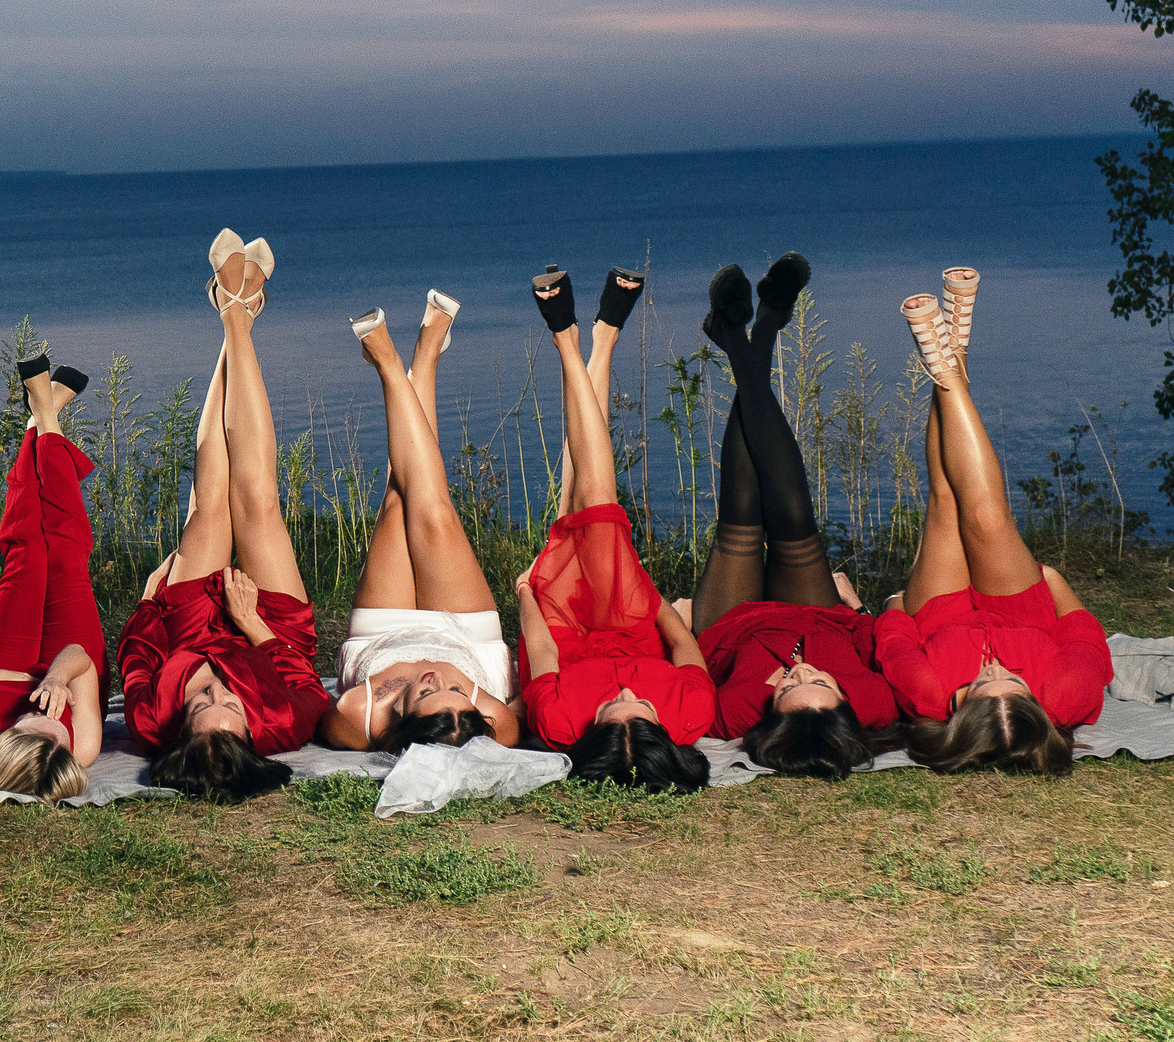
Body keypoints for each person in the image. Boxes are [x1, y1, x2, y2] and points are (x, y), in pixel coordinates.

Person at [877, 269, 1112, 774]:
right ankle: (946, 360)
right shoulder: (1069, 698)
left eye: (983, 683)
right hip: (1022, 609)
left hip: (939, 614)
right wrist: (1055, 583)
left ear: (960, 713)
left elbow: (894, 641)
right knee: (985, 518)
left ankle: (952, 352)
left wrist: (898, 604)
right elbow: (1085, 638)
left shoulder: (927, 697)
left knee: (944, 502)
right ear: (1039, 707)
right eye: (1015, 681)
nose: (995, 668)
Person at [118, 230, 323, 801]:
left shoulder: (148, 722)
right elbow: (308, 684)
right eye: (229, 702)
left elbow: (137, 656)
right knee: (256, 498)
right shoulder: (283, 725)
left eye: (199, 703)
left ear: (178, 731)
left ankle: (236, 312)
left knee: (209, 505)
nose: (215, 686)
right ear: (253, 729)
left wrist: (148, 600)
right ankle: (237, 313)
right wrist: (252, 625)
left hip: (186, 627)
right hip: (270, 633)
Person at [683, 256, 902, 779]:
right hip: (819, 613)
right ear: (845, 705)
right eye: (820, 682)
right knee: (792, 513)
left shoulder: (732, 715)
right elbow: (886, 643)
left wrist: (677, 624)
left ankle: (754, 331)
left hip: (729, 624)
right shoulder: (874, 705)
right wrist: (865, 609)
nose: (798, 671)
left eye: (785, 687)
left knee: (742, 508)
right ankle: (748, 333)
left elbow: (688, 676)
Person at [513, 265, 712, 792]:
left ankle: (597, 341)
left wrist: (526, 594)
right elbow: (684, 647)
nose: (624, 698)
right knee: (596, 502)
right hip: (628, 619)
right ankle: (569, 339)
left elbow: (544, 655)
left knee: (579, 492)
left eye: (609, 712)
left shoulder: (559, 727)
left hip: (563, 628)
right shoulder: (692, 716)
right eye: (639, 712)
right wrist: (647, 591)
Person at [316, 293, 522, 751]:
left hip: (381, 637)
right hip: (466, 634)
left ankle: (422, 360)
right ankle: (397, 363)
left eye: (424, 694)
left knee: (397, 499)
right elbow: (518, 714)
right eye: (452, 692)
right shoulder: (494, 726)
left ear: (400, 723)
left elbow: (324, 715)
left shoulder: (357, 720)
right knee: (433, 511)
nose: (435, 680)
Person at [0, 353, 108, 801]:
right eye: (63, 739)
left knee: (28, 550)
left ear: (6, 741)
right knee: (68, 551)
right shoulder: (84, 746)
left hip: (1, 663)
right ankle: (44, 412)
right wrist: (56, 680)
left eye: (43, 730)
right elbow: (80, 658)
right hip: (74, 663)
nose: (58, 724)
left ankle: (43, 416)